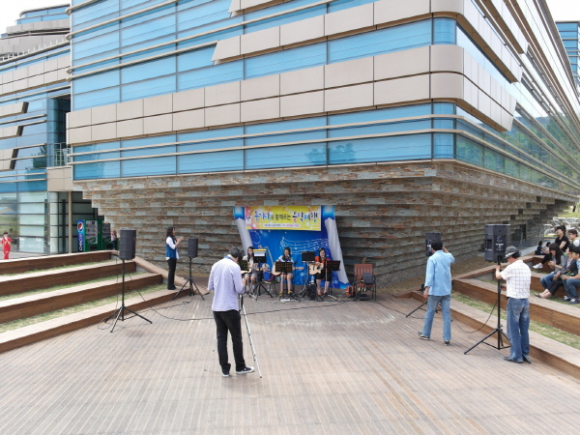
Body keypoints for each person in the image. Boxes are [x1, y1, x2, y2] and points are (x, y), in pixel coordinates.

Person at [208, 247, 254, 377]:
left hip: (217, 307)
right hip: (230, 307)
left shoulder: (215, 265)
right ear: (237, 258)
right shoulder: (234, 266)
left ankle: (225, 369)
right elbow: (239, 289)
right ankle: (240, 367)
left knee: (221, 339)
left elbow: (210, 286)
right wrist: (243, 282)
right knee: (236, 339)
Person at [495, 246, 531, 364]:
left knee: (513, 329)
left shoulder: (512, 267)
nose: (507, 260)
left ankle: (516, 355)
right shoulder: (526, 267)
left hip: (514, 301)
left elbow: (498, 276)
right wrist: (509, 287)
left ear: (510, 256)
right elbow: (521, 282)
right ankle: (525, 354)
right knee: (524, 329)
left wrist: (497, 269)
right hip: (525, 300)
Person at [418, 241, 454, 345]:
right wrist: (444, 248)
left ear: (432, 248)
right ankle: (447, 338)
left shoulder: (432, 259)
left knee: (430, 312)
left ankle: (426, 333)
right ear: (442, 247)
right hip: (446, 290)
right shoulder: (447, 256)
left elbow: (430, 275)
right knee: (446, 315)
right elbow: (452, 258)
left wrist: (426, 289)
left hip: (435, 291)